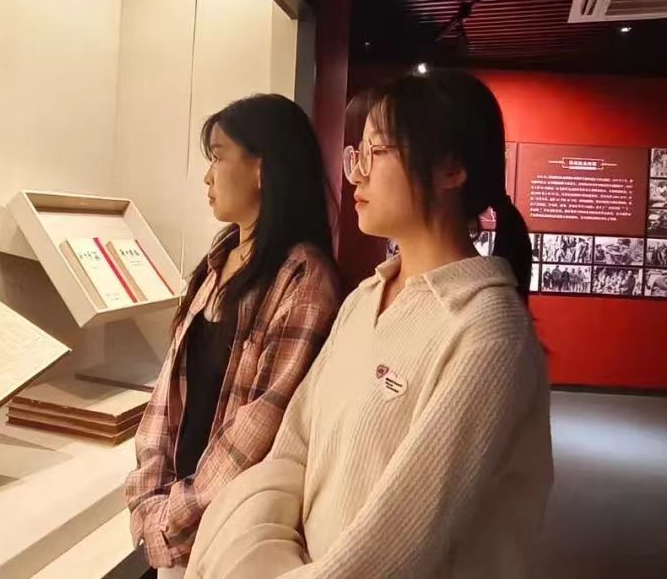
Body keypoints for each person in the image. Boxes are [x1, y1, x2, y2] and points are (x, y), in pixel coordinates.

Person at [187, 69, 552, 578]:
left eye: (376, 152)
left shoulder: (487, 335)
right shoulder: (364, 300)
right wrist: (250, 553)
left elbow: (393, 550)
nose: (356, 174)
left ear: (450, 168)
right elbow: (291, 452)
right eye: (355, 153)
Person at [126, 94, 341, 578]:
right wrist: (147, 494)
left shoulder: (303, 280)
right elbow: (168, 391)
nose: (208, 176)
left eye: (219, 157)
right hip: (175, 514)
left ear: (263, 168)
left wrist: (170, 517)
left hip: (225, 532)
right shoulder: (220, 258)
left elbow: (261, 425)